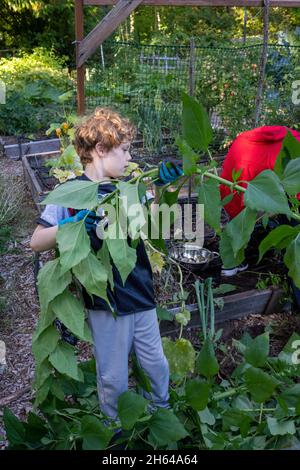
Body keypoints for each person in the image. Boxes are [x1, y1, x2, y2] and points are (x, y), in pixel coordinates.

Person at [30, 107, 183, 432]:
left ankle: (160, 417)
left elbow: (157, 224)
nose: (130, 157)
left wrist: (167, 189)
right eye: (125, 149)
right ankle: (114, 430)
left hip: (141, 292)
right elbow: (36, 241)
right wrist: (71, 225)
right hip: (105, 303)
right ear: (100, 150)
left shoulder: (129, 187)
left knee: (155, 364)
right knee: (112, 376)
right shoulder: (70, 194)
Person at [219, 125, 300, 307]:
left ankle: (231, 265)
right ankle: (293, 274)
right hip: (278, 182)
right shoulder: (295, 142)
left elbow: (227, 178)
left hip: (240, 178)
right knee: (293, 226)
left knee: (239, 222)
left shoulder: (243, 140)